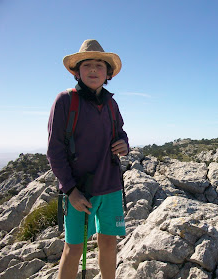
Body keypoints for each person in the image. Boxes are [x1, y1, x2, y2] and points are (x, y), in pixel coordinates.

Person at [47, 39, 129, 279]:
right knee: (73, 249)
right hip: (80, 191)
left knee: (109, 242)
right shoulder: (65, 101)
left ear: (108, 74)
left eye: (99, 66)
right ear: (77, 71)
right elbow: (55, 150)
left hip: (111, 187)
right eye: (87, 65)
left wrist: (124, 144)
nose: (93, 70)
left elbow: (121, 133)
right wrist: (71, 190)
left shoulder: (112, 104)